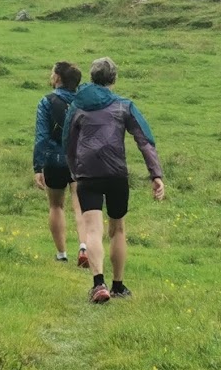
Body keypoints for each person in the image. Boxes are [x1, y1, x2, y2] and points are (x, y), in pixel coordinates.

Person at [63, 57, 164, 303]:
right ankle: (118, 285)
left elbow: (68, 143)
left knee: (93, 229)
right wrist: (156, 174)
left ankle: (99, 284)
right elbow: (144, 140)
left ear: (92, 77)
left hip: (88, 175)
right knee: (117, 228)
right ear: (114, 79)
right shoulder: (124, 106)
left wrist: (74, 171)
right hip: (117, 173)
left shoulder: (77, 106)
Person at [34, 62, 88, 266]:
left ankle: (61, 254)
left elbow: (41, 136)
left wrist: (37, 166)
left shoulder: (47, 102)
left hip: (54, 159)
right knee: (80, 205)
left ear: (58, 79)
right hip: (80, 159)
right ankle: (84, 247)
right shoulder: (84, 103)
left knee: (56, 206)